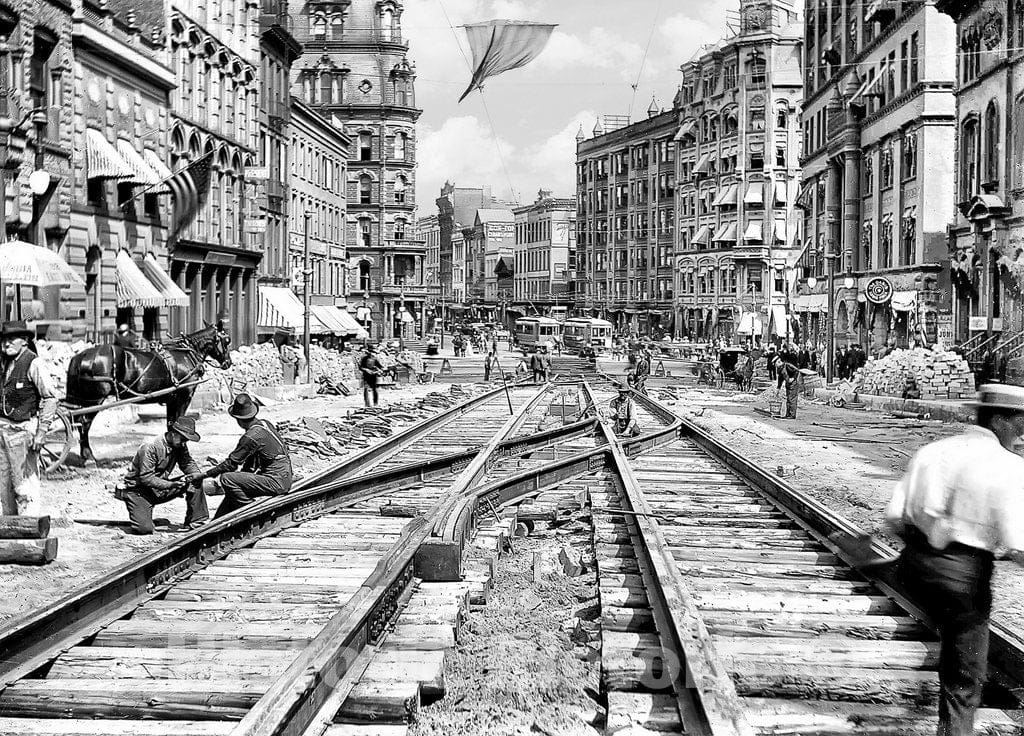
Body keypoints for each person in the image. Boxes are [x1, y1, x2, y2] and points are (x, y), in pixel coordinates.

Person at [884, 384, 1024, 736]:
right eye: (1021, 425)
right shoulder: (1009, 468)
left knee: (926, 595)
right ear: (999, 420)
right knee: (963, 680)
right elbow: (1018, 544)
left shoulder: (933, 451)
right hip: (964, 578)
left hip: (913, 567)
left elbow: (894, 518)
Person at [199, 394, 293, 519]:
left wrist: (204, 475)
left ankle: (250, 510)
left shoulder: (250, 437)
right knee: (234, 488)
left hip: (276, 481)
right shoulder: (265, 424)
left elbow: (230, 464)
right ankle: (218, 520)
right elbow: (250, 462)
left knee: (227, 479)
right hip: (284, 477)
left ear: (238, 420)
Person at [0, 321, 57, 516]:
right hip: (3, 431)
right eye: (4, 339)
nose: (6, 343)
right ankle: (10, 529)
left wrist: (41, 432)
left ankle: (30, 528)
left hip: (23, 430)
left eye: (11, 339)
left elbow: (50, 398)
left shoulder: (34, 363)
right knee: (4, 482)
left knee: (25, 484)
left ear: (24, 341)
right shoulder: (5, 363)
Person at [120, 417, 209, 534]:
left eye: (186, 440)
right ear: (172, 434)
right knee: (144, 529)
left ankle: (196, 522)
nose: (184, 443)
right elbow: (146, 478)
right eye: (182, 439)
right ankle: (144, 515)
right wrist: (171, 485)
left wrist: (196, 475)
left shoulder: (179, 445)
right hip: (139, 492)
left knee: (195, 479)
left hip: (160, 488)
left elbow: (188, 463)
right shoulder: (150, 447)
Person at [771, 351, 800, 419]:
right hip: (788, 385)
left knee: (792, 399)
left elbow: (797, 371)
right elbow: (780, 380)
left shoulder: (787, 366)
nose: (775, 366)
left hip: (794, 383)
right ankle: (788, 414)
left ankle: (792, 415)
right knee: (788, 399)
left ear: (778, 362)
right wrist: (778, 389)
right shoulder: (780, 369)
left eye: (775, 364)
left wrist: (793, 378)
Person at [359, 343, 382, 407]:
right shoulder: (364, 359)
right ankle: (367, 404)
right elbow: (360, 367)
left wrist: (378, 371)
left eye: (373, 352)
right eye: (370, 352)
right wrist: (366, 370)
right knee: (366, 389)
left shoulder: (375, 359)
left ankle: (375, 403)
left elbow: (380, 367)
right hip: (366, 376)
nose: (371, 353)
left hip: (373, 376)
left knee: (375, 390)